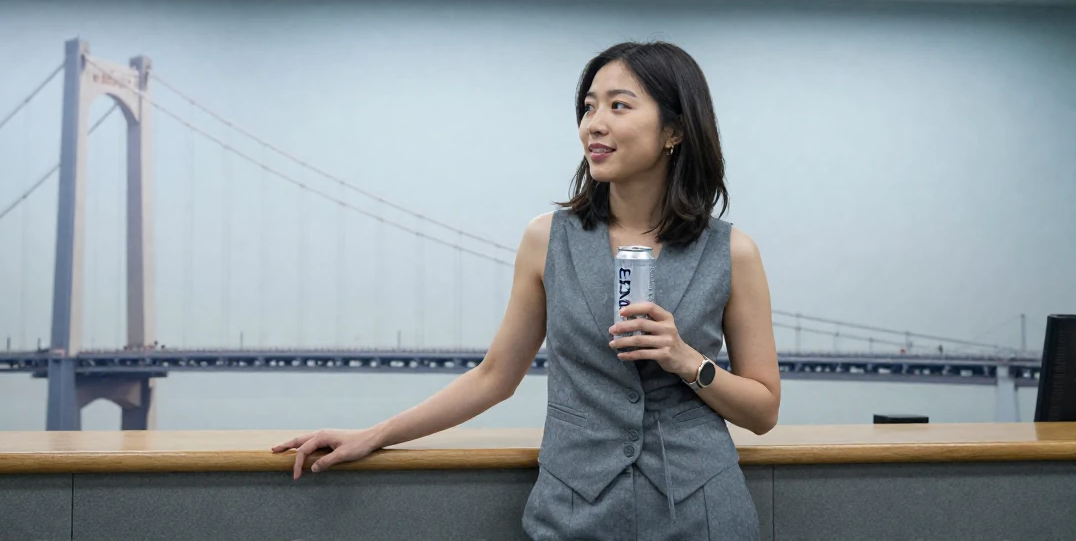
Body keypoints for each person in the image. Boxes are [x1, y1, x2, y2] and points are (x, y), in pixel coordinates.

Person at [272, 41, 781, 539]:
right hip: (575, 513)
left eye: (618, 106)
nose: (593, 124)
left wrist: (688, 361)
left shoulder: (733, 253)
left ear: (672, 130)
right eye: (588, 107)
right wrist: (374, 434)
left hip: (703, 515)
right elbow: (495, 376)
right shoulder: (547, 240)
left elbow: (762, 411)